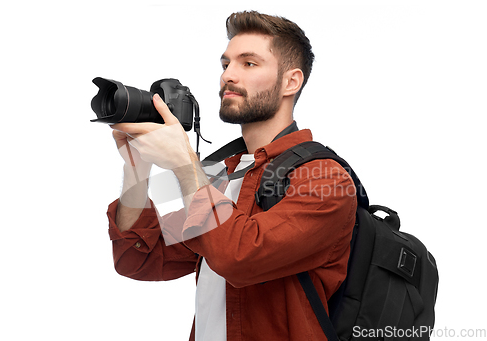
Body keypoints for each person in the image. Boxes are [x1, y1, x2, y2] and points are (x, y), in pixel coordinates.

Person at [106, 10, 357, 341]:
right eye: (226, 65)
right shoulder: (222, 177)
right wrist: (135, 168)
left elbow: (240, 257)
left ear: (290, 82)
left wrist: (184, 165)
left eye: (248, 64)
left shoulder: (326, 180)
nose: (228, 76)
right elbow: (140, 258)